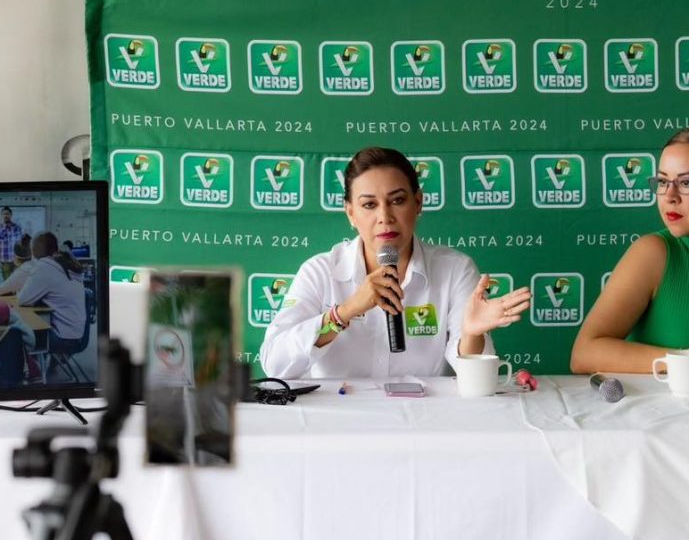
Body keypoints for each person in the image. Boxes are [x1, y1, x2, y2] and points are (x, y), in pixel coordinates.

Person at [260, 147, 531, 379]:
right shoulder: (320, 272)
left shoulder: (455, 270)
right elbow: (275, 363)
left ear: (418, 202)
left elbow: (477, 378)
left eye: (397, 200)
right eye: (369, 205)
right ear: (351, 213)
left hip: (425, 425)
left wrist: (471, 334)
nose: (385, 217)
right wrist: (344, 312)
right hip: (340, 425)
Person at [570, 130, 689, 373]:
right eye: (663, 181)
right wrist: (681, 362)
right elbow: (584, 354)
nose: (669, 196)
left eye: (686, 183)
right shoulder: (653, 253)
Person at [18, 231, 88, 356]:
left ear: (36, 249)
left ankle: (32, 370)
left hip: (63, 339)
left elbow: (23, 299)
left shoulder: (44, 266)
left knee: (16, 332)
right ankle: (53, 362)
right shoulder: (64, 262)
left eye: (32, 247)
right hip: (78, 335)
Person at [0, 207, 24, 280]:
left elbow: (21, 244)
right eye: (4, 214)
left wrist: (21, 258)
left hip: (16, 260)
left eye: (7, 214)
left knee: (17, 282)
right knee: (7, 282)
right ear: (1, 215)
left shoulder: (17, 227)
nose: (5, 216)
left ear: (11, 215)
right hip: (4, 260)